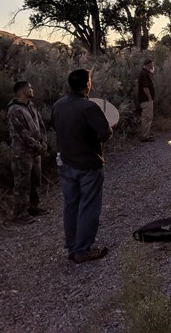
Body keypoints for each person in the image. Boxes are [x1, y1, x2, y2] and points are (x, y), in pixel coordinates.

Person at [52, 69, 112, 263]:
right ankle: (83, 250)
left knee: (71, 205)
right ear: (87, 84)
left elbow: (55, 126)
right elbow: (104, 134)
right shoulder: (88, 107)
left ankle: (72, 245)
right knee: (89, 206)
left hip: (65, 163)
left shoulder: (58, 105)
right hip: (88, 164)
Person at [7, 81, 48, 224]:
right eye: (30, 87)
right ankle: (19, 214)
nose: (32, 89)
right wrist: (37, 145)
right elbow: (22, 133)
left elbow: (41, 126)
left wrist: (44, 141)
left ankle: (33, 207)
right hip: (22, 152)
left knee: (35, 179)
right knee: (22, 183)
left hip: (35, 151)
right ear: (22, 90)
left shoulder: (31, 106)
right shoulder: (14, 110)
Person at [138, 58, 155, 142]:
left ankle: (146, 135)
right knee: (147, 117)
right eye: (152, 63)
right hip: (146, 100)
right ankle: (144, 136)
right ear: (149, 64)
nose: (153, 65)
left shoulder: (145, 72)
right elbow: (145, 87)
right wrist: (149, 97)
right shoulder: (144, 74)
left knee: (148, 117)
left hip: (146, 99)